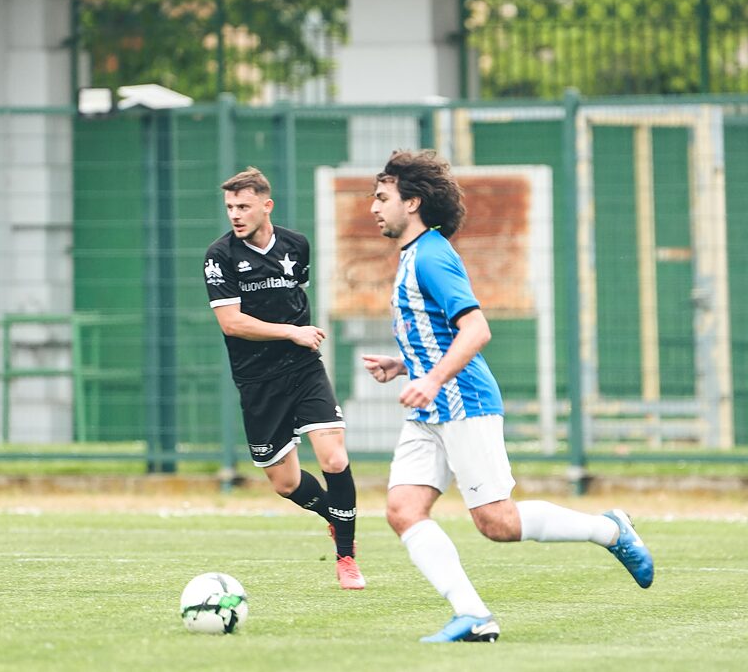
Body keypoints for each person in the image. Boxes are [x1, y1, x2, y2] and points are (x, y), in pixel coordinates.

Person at [361, 150, 654, 642]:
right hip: (431, 409)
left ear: (412, 203)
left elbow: (476, 330)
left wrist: (431, 380)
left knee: (497, 522)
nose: (373, 207)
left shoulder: (432, 255)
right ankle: (472, 615)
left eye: (382, 197)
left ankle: (610, 530)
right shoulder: (414, 254)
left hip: (463, 401)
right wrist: (405, 365)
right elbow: (436, 334)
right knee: (403, 510)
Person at [203, 166, 365, 590]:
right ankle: (333, 515)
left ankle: (346, 556)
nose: (235, 214)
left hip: (303, 367)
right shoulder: (220, 256)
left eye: (243, 206)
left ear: (266, 205)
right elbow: (232, 323)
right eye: (230, 207)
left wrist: (298, 338)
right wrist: (291, 331)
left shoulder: (296, 245)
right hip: (257, 380)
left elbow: (295, 292)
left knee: (334, 457)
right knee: (286, 482)